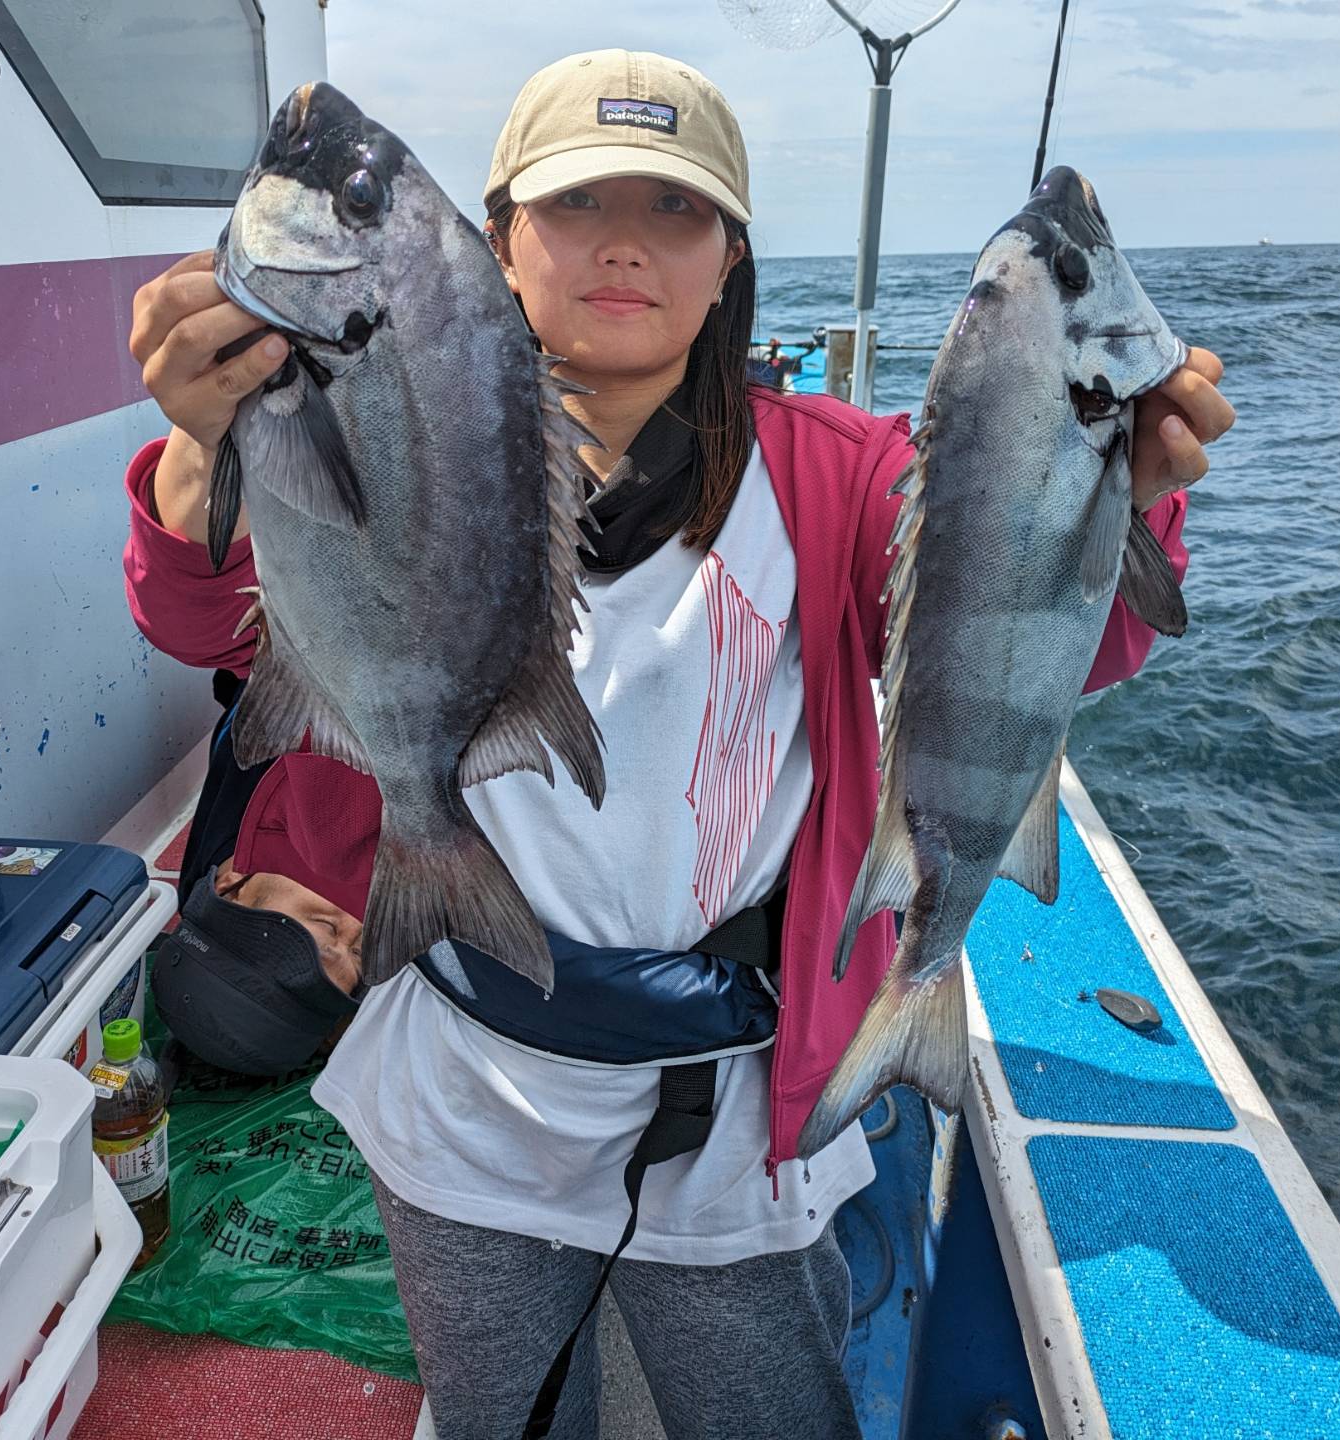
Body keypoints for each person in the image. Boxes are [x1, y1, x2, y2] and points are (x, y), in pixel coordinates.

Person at [123, 49, 1235, 1439]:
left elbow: (1044, 632)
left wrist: (1121, 493)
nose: (629, 245)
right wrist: (195, 447)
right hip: (468, 1090)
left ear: (731, 263)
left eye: (680, 210)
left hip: (736, 1113)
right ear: (494, 243)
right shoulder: (367, 420)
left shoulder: (837, 471)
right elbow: (201, 622)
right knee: (501, 1415)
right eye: (581, 204)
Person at [146, 676, 364, 1079]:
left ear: (231, 882)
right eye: (360, 952)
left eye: (324, 925)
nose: (357, 920)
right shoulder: (249, 888)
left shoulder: (312, 796)